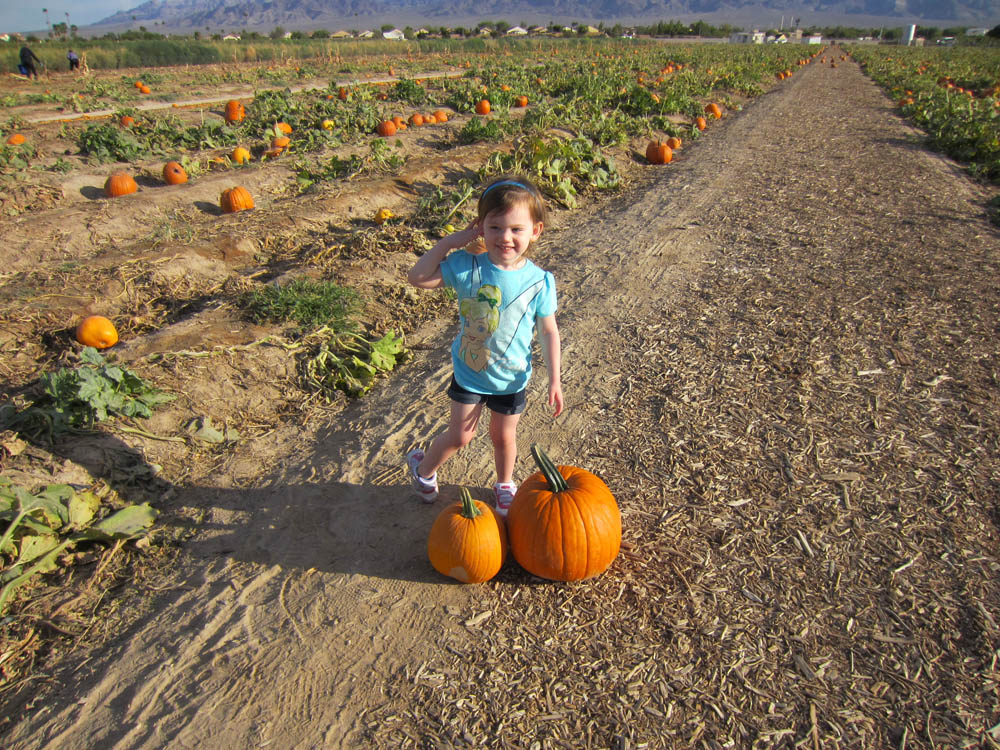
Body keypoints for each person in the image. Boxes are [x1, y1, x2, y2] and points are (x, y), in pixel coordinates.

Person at [405, 176, 563, 515]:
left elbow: (549, 331)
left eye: (516, 229)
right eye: (495, 227)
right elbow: (417, 278)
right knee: (460, 437)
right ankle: (423, 470)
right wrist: (453, 241)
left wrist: (555, 379)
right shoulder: (467, 267)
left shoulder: (539, 281)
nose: (505, 237)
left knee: (504, 438)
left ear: (535, 231)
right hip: (470, 374)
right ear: (481, 228)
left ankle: (505, 484)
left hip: (511, 378)